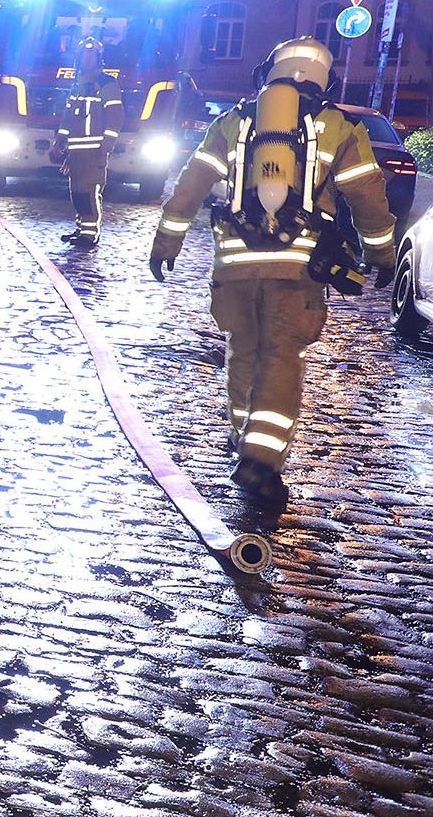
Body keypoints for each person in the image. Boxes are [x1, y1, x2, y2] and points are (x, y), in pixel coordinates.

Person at [148, 37, 396, 509]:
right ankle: (260, 459)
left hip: (235, 267)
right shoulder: (337, 127)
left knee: (244, 349)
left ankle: (241, 436)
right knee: (280, 356)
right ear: (325, 78)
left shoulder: (232, 123)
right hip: (296, 268)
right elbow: (367, 195)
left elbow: (191, 186)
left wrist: (166, 242)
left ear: (270, 70)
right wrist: (382, 255)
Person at [52, 37, 123, 247]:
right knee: (78, 193)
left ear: (99, 59)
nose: (87, 59)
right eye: (84, 55)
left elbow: (116, 116)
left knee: (90, 192)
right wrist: (60, 141)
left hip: (94, 150)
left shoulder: (106, 83)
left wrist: (106, 147)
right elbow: (69, 117)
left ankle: (90, 234)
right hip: (76, 150)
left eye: (91, 55)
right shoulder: (78, 84)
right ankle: (82, 228)